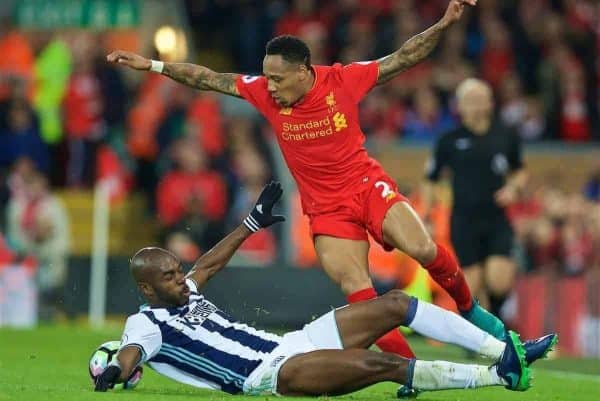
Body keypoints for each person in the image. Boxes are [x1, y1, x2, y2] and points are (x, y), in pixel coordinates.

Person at [108, 0, 509, 372]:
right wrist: (154, 66)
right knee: (359, 289)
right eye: (266, 77)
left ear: (304, 71)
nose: (270, 86)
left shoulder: (344, 80)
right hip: (325, 208)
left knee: (423, 247)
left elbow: (404, 57)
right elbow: (210, 78)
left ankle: (470, 308)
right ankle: (411, 373)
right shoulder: (265, 93)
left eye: (278, 78)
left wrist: (444, 23)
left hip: (366, 185)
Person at [94, 182, 556, 396]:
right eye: (171, 277)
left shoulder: (184, 291)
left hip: (294, 342)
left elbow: (208, 265)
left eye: (178, 271)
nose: (182, 278)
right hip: (272, 375)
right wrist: (114, 371)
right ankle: (498, 377)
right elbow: (132, 354)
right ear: (147, 290)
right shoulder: (146, 322)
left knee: (393, 303)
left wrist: (251, 223)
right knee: (386, 363)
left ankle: (503, 351)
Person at [422, 78, 527, 321]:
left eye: (481, 99)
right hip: (463, 220)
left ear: (491, 103)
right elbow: (430, 178)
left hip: (496, 218)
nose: (476, 105)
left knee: (499, 281)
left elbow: (520, 170)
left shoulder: (506, 135)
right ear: (459, 105)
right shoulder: (449, 140)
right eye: (469, 100)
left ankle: (497, 320)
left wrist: (514, 188)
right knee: (473, 284)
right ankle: (484, 335)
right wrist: (427, 214)